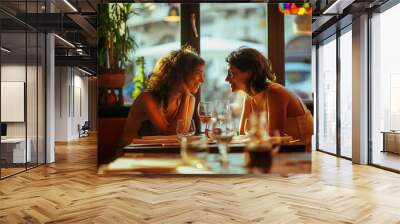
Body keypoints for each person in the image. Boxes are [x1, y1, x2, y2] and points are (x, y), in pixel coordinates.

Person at [225, 47, 313, 151]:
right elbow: (243, 134)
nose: (227, 79)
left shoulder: (275, 92)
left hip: (302, 158)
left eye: (232, 74)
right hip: (278, 154)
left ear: (249, 73)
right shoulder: (249, 96)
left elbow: (274, 137)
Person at [121, 46, 205, 146]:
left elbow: (182, 135)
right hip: (131, 155)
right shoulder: (147, 98)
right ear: (179, 74)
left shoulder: (190, 99)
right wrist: (186, 95)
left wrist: (186, 96)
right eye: (198, 73)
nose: (202, 80)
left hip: (158, 153)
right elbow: (172, 133)